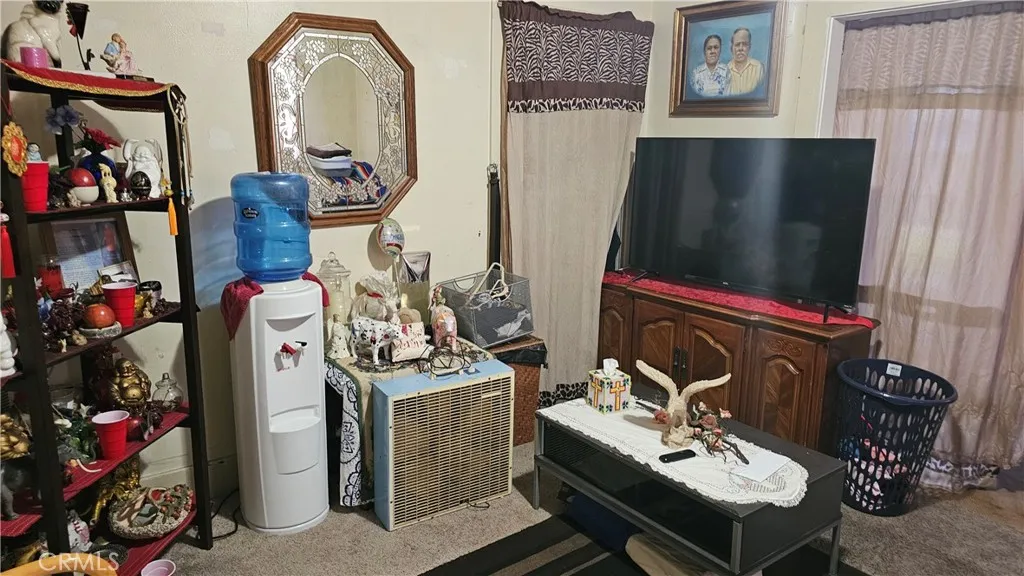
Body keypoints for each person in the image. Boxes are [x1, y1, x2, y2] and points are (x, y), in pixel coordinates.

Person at [727, 27, 764, 95]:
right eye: (737, 44)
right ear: (731, 48)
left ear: (749, 47)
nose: (740, 48)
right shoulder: (725, 70)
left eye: (744, 44)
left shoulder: (758, 68)